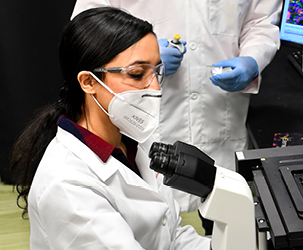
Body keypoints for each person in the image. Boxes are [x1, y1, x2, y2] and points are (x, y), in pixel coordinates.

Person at [71, 0, 283, 234]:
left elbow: (260, 21)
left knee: (224, 213)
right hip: (142, 117)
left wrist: (253, 59)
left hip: (218, 114)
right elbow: (87, 27)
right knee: (147, 221)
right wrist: (142, 53)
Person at [10, 7, 211, 249]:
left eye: (158, 71)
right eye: (137, 74)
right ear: (88, 82)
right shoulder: (67, 184)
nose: (155, 88)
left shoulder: (134, 143)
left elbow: (170, 235)